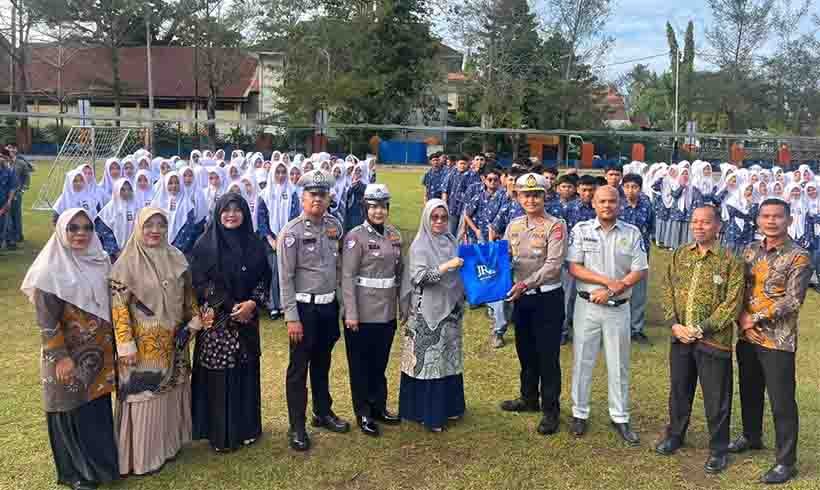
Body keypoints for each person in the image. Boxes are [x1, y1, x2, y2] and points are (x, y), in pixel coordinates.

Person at [21, 208, 119, 490]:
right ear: (61, 231)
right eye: (73, 228)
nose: (81, 233)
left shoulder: (99, 261)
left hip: (98, 354)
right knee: (68, 408)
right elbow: (47, 324)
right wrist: (60, 358)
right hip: (67, 356)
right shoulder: (48, 270)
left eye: (87, 228)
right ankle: (76, 473)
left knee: (95, 409)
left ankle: (102, 467)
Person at [110, 207, 211, 476]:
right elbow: (119, 308)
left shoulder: (176, 256)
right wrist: (125, 344)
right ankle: (143, 458)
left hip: (175, 341)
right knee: (146, 397)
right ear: (138, 227)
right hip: (142, 346)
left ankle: (169, 447)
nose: (155, 230)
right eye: (149, 225)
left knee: (170, 391)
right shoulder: (126, 262)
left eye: (161, 225)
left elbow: (188, 296)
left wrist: (193, 323)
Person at [655, 205, 745, 474]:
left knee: (716, 398)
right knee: (679, 390)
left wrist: (700, 328)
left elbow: (732, 304)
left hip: (713, 341)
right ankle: (675, 435)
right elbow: (667, 289)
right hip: (680, 338)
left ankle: (718, 449)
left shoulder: (730, 261)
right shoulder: (680, 254)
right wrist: (674, 325)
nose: (698, 226)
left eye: (705, 222)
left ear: (718, 226)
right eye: (695, 221)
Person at [728, 199, 813, 485]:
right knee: (749, 389)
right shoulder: (750, 250)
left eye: (778, 216)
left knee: (781, 400)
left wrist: (754, 319)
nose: (771, 221)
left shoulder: (798, 256)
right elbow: (738, 288)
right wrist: (741, 319)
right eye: (766, 216)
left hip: (778, 340)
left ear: (789, 220)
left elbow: (793, 300)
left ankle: (786, 461)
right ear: (758, 220)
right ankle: (751, 436)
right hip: (747, 335)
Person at [567, 186, 648, 445]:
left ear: (619, 204)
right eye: (601, 201)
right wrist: (606, 283)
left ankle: (620, 416)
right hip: (587, 306)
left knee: (618, 363)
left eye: (612, 201)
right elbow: (574, 267)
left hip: (618, 307)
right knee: (582, 360)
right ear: (593, 203)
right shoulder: (581, 230)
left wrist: (615, 289)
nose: (607, 205)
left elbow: (640, 270)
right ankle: (579, 413)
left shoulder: (632, 233)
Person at [189, 193, 270, 452]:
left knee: (245, 370)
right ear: (217, 213)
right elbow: (200, 282)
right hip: (219, 322)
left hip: (247, 319)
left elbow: (264, 277)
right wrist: (230, 305)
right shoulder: (204, 245)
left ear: (245, 213)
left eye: (237, 210)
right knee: (220, 377)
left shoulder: (254, 243)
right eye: (226, 210)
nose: (231, 215)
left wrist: (252, 303)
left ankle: (247, 429)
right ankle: (221, 435)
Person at [277, 169, 351, 452]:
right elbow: (285, 278)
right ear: (303, 198)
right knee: (299, 369)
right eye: (312, 194)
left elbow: (339, 268)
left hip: (328, 307)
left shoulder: (335, 227)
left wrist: (341, 304)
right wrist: (291, 317)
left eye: (322, 194)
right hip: (304, 310)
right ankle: (296, 425)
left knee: (323, 363)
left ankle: (322, 411)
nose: (318, 199)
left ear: (329, 197)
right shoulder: (292, 232)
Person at [499, 173, 567, 435]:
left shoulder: (555, 226)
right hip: (522, 299)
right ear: (518, 197)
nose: (531, 200)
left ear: (544, 196)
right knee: (525, 352)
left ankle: (550, 410)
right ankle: (528, 398)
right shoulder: (513, 225)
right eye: (526, 195)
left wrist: (525, 284)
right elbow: (504, 256)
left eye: (536, 194)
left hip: (547, 298)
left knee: (547, 356)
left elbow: (553, 266)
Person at [398, 199, 466, 432]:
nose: (439, 221)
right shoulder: (420, 245)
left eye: (443, 217)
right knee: (429, 361)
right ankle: (428, 413)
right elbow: (419, 277)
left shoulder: (451, 240)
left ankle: (451, 407)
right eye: (434, 217)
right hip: (427, 312)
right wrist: (445, 267)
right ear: (426, 219)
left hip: (451, 309)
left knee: (448, 358)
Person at [341, 184, 403, 437]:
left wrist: (402, 306)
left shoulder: (394, 236)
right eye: (373, 206)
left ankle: (378, 407)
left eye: (383, 206)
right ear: (365, 208)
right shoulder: (355, 237)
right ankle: (363, 412)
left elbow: (400, 274)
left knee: (380, 363)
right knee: (361, 366)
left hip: (386, 312)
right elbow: (347, 277)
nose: (379, 211)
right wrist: (351, 313)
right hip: (362, 313)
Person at [257, 161, 300, 320]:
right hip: (271, 241)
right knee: (275, 270)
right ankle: (274, 305)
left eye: (283, 172)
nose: (281, 175)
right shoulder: (264, 194)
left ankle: (285, 304)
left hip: (288, 238)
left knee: (288, 271)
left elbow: (294, 216)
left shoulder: (292, 192)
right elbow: (261, 219)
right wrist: (270, 238)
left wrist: (284, 237)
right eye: (278, 172)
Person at [619, 173, 655, 344]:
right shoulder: (617, 206)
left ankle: (636, 328)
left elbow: (651, 226)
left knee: (639, 293)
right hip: (620, 253)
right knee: (619, 288)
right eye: (627, 187)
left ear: (640, 189)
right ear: (622, 188)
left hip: (641, 254)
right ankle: (618, 327)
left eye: (634, 187)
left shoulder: (647, 206)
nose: (630, 190)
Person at [562, 174, 598, 343]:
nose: (588, 194)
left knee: (591, 296)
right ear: (578, 190)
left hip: (594, 260)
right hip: (571, 260)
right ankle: (563, 330)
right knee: (567, 297)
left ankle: (588, 332)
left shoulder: (599, 209)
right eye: (584, 190)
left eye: (591, 190)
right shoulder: (567, 209)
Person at [150, 171, 204, 255]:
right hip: (158, 248)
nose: (174, 186)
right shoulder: (158, 203)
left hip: (180, 249)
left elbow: (188, 229)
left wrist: (177, 248)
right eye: (170, 183)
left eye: (177, 183)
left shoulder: (188, 205)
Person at [95, 178, 140, 262]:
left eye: (129, 189)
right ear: (117, 190)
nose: (126, 192)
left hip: (135, 252)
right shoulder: (109, 210)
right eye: (122, 189)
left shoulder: (137, 206)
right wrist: (117, 252)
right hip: (115, 256)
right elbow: (105, 233)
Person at [8, 143, 32, 246]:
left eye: (13, 148)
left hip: (17, 193)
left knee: (16, 214)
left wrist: (23, 189)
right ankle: (9, 236)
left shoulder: (21, 163)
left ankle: (18, 235)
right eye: (9, 148)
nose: (10, 150)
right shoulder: (4, 161)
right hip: (5, 193)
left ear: (16, 149)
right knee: (7, 216)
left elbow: (27, 177)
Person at [0, 147, 18, 249]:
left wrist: (9, 202)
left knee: (3, 225)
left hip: (3, 203)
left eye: (2, 157)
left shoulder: (9, 171)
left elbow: (12, 187)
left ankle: (7, 241)